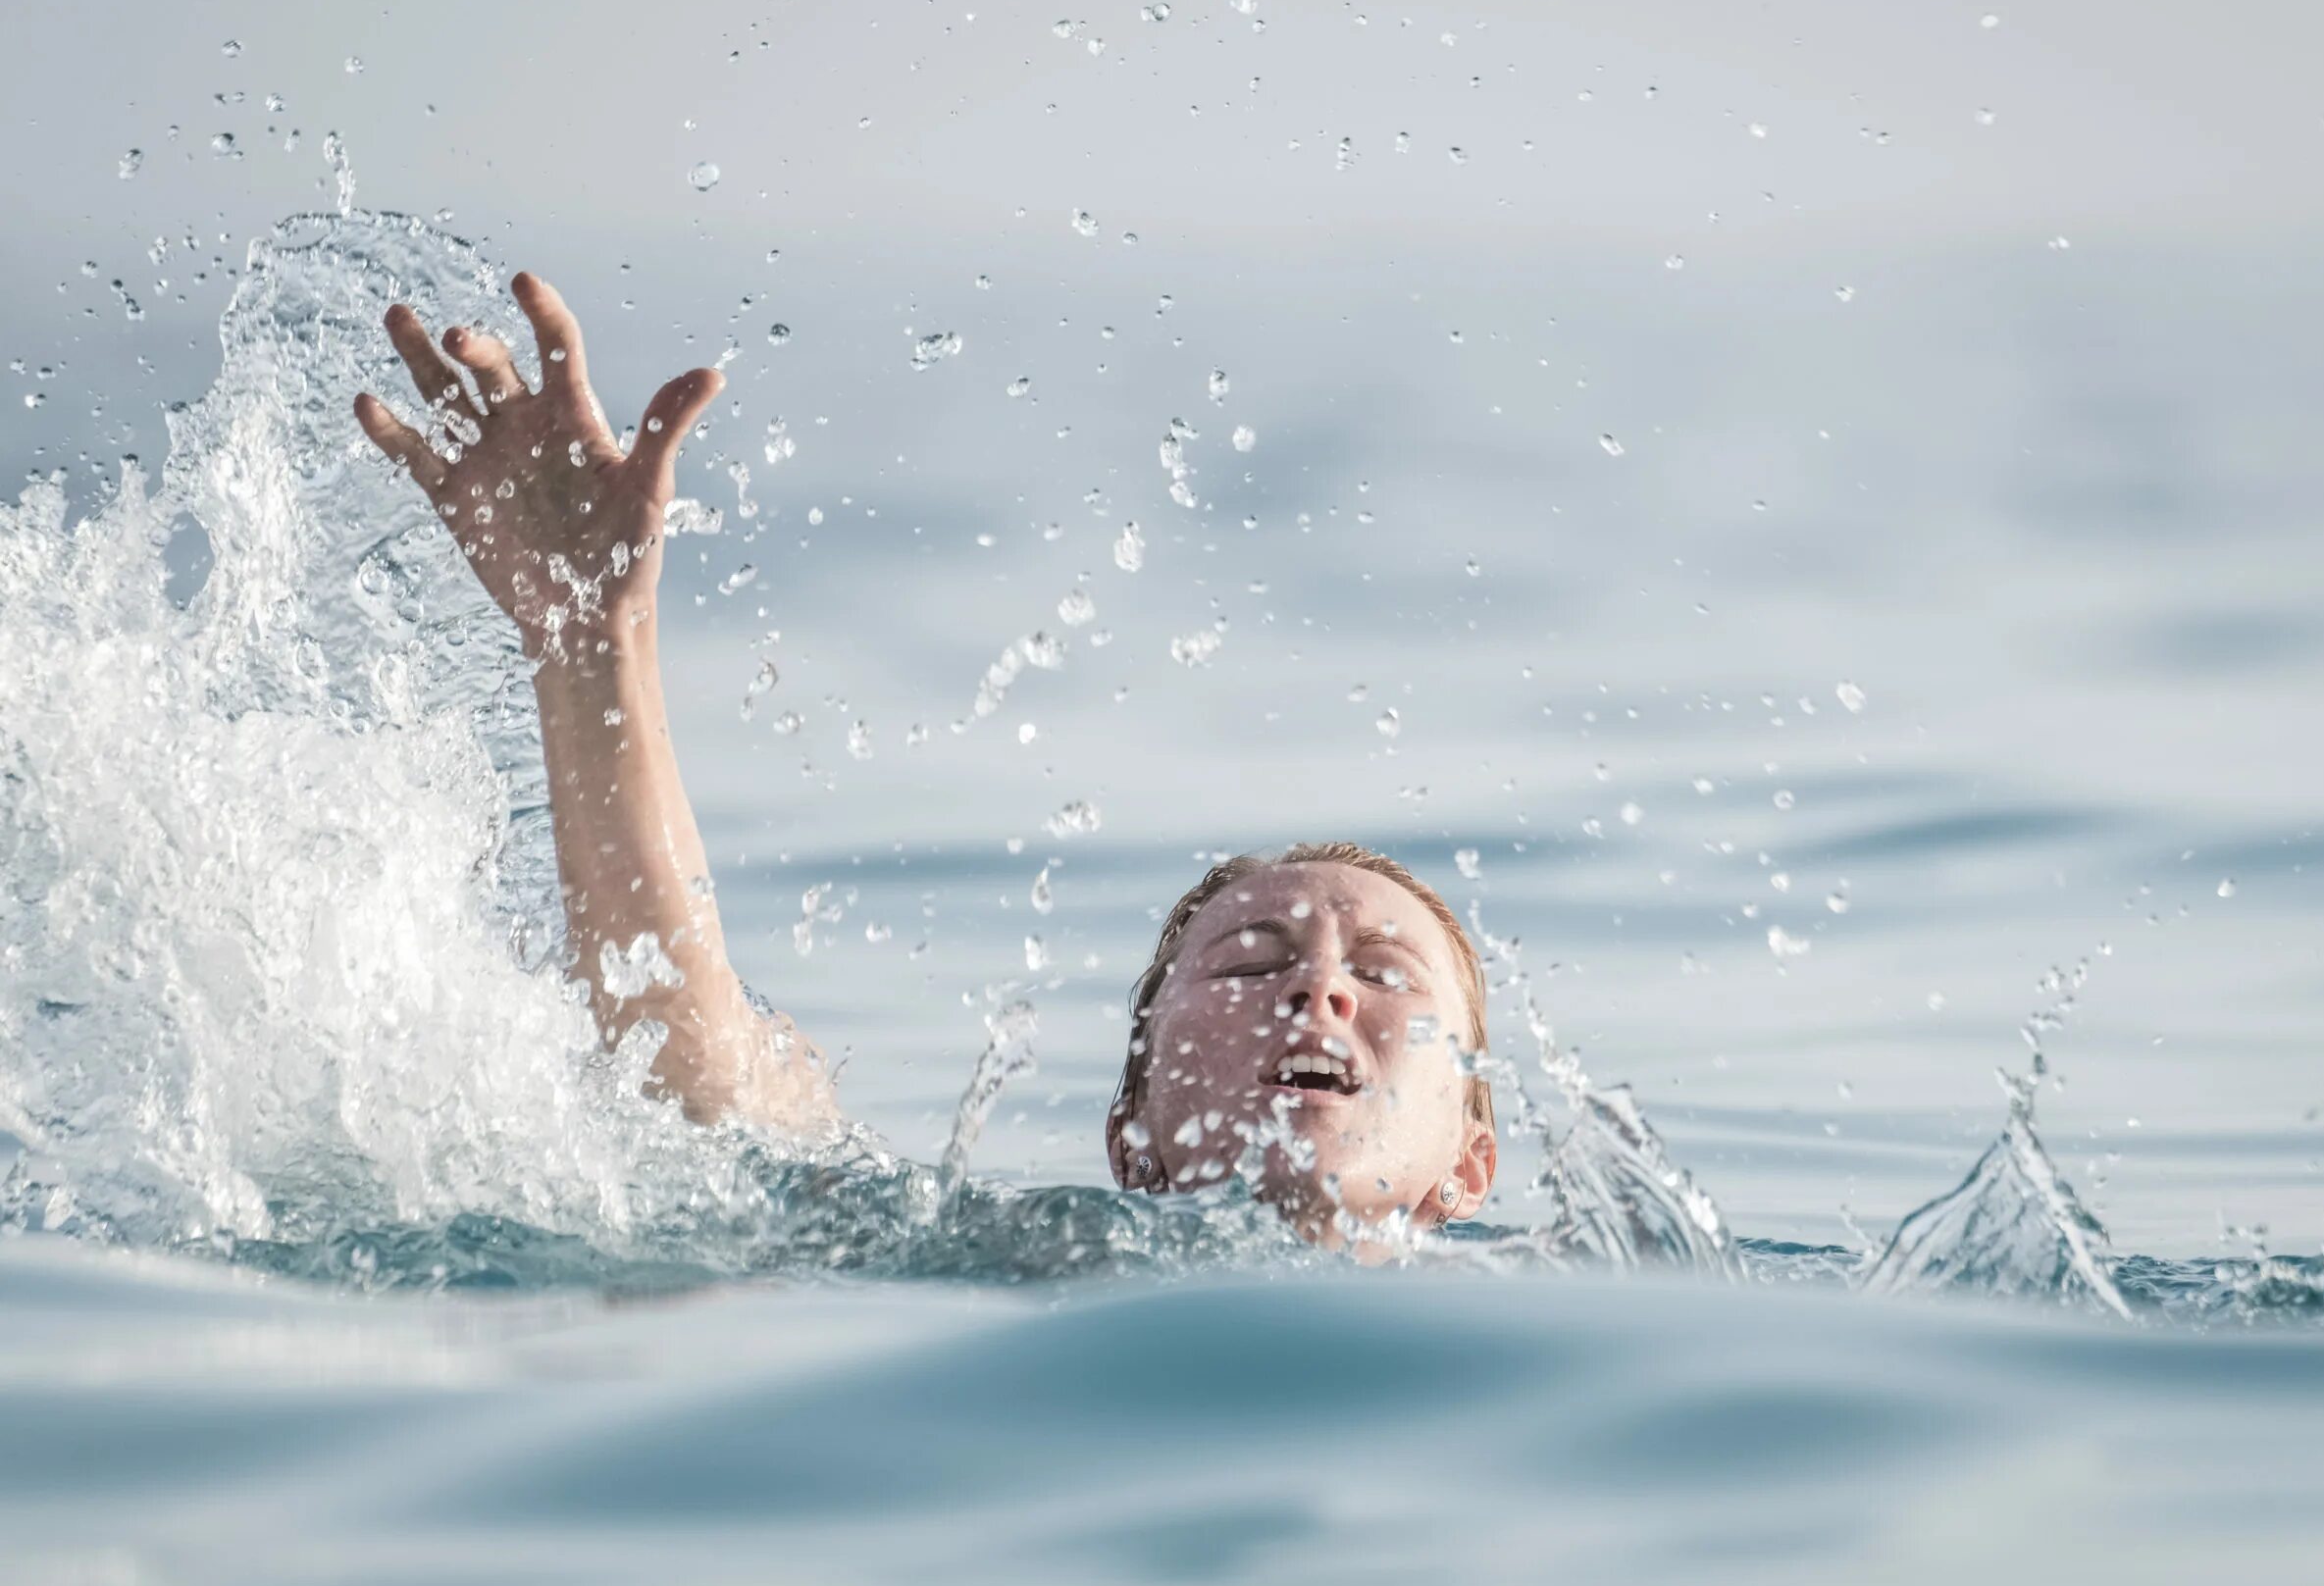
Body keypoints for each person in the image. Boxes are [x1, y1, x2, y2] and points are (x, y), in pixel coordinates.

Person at [353, 274, 1497, 1253]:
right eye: (1248, 966)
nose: (1319, 988)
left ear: (1469, 1167)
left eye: (1388, 976)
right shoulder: (1027, 1266)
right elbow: (704, 1094)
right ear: (1133, 1139)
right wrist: (590, 643)